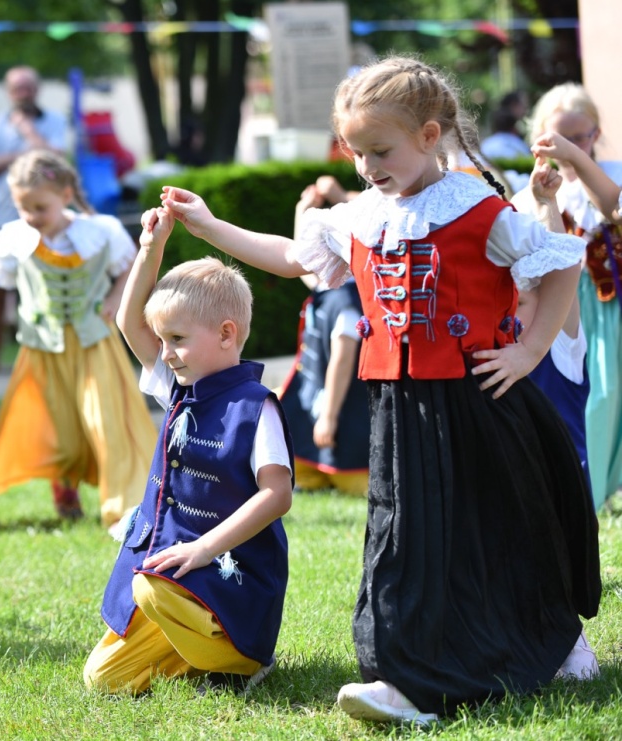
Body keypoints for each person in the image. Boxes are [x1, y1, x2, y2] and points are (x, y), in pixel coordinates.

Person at [158, 57, 600, 723]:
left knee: (511, 522)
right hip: (399, 407)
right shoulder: (362, 215)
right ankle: (403, 678)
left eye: (379, 150)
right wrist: (210, 226)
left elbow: (559, 260)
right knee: (403, 538)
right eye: (355, 151)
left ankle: (560, 637)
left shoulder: (478, 207)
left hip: (480, 398)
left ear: (429, 135)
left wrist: (530, 350)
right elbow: (290, 256)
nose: (366, 166)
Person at [83, 207, 293, 695]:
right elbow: (125, 320)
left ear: (225, 334)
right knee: (103, 680)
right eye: (162, 340)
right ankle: (203, 659)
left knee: (149, 587)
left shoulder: (256, 408)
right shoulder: (177, 386)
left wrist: (202, 549)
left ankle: (242, 658)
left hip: (227, 575)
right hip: (170, 574)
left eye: (176, 339)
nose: (166, 352)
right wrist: (151, 247)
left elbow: (277, 496)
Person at [0, 150, 155, 527]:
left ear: (66, 195)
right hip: (42, 349)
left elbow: (133, 263)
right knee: (61, 429)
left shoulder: (100, 231)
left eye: (41, 207)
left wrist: (118, 297)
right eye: (24, 208)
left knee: (108, 423)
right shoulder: (16, 238)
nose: (32, 217)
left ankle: (125, 510)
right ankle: (65, 483)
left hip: (94, 345)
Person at [515, 83, 622, 510]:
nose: (573, 146)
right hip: (567, 311)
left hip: (612, 306)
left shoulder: (610, 174)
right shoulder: (531, 191)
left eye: (581, 137)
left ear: (596, 134)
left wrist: (577, 158)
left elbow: (612, 207)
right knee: (595, 397)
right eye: (562, 138)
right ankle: (587, 494)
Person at [279, 179, 370, 495]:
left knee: (351, 472)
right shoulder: (330, 286)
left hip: (342, 403)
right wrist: (301, 212)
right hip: (316, 389)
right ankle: (315, 473)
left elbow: (342, 362)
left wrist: (328, 418)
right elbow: (303, 265)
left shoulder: (348, 303)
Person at [0, 66, 69, 371]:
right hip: (5, 215)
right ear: (8, 92)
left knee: (44, 285)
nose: (24, 93)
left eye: (28, 87)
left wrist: (28, 132)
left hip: (46, 217)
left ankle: (46, 353)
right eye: (18, 88)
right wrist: (30, 152)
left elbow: (57, 160)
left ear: (37, 88)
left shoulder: (54, 120)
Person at [480, 91, 532, 161]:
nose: (525, 110)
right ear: (513, 105)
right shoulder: (510, 142)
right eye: (523, 105)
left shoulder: (488, 144)